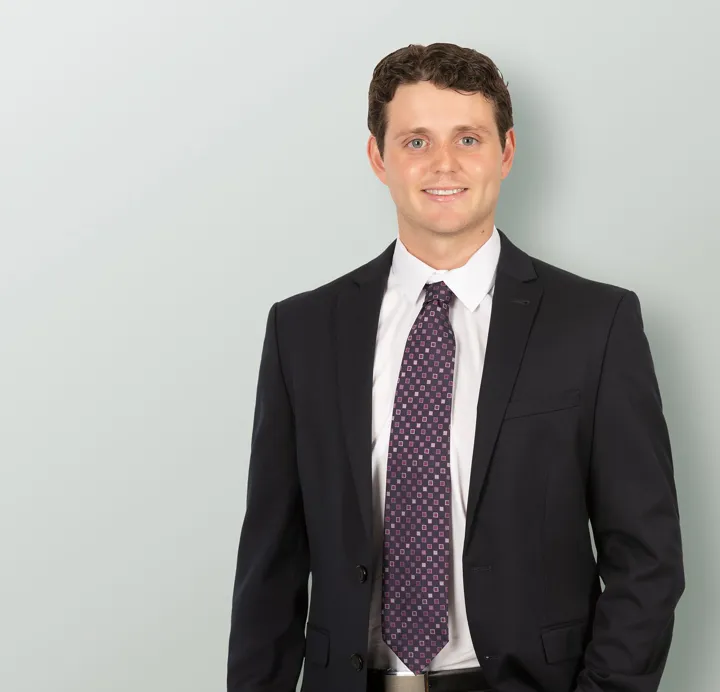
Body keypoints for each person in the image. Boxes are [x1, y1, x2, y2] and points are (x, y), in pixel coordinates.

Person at [226, 42, 685, 692]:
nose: (444, 163)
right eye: (416, 141)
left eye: (468, 138)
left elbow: (646, 557)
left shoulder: (595, 324)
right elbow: (269, 564)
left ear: (506, 152)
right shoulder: (302, 330)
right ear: (378, 157)